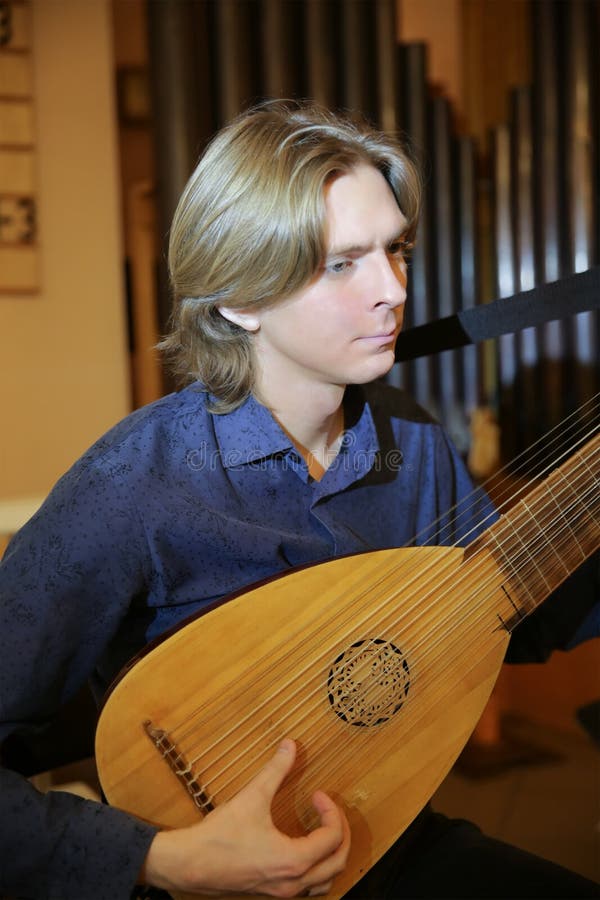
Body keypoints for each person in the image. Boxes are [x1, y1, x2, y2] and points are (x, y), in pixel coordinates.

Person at [0, 100, 598, 900]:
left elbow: (503, 614)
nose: (392, 289)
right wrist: (167, 861)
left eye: (396, 250)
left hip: (377, 833)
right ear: (239, 300)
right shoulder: (133, 487)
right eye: (342, 264)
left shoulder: (408, 442)